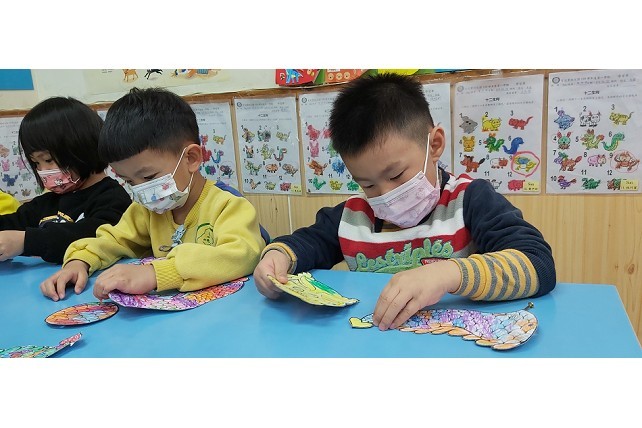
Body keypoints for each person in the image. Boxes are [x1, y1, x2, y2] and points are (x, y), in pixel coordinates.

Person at [254, 73, 556, 331]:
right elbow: (307, 243)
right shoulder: (353, 215)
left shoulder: (470, 200)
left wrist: (448, 275)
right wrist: (278, 256)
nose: (385, 195)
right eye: (367, 184)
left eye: (396, 175)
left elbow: (538, 264)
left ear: (434, 145)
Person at [40, 87, 266, 302]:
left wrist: (156, 273)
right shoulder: (145, 211)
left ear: (191, 158)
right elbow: (114, 239)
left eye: (148, 177)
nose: (141, 191)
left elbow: (243, 255)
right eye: (129, 181)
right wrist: (80, 260)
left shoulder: (227, 205)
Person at [0, 97, 132, 264]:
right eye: (36, 163)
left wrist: (26, 241)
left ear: (82, 149)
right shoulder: (46, 202)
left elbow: (95, 237)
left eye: (48, 160)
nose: (42, 171)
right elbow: (13, 222)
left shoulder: (112, 198)